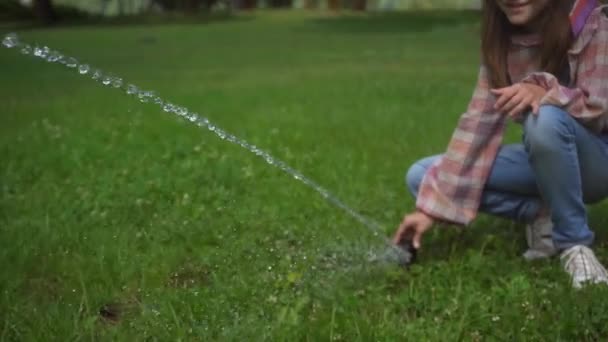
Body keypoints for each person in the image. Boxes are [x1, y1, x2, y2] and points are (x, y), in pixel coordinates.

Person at [393, 0, 608, 288]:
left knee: (543, 119)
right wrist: (431, 209)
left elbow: (598, 109)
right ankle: (543, 215)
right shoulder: (502, 38)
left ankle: (574, 245)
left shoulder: (591, 17)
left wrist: (543, 90)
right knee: (423, 177)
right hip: (549, 160)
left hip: (598, 162)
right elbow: (477, 124)